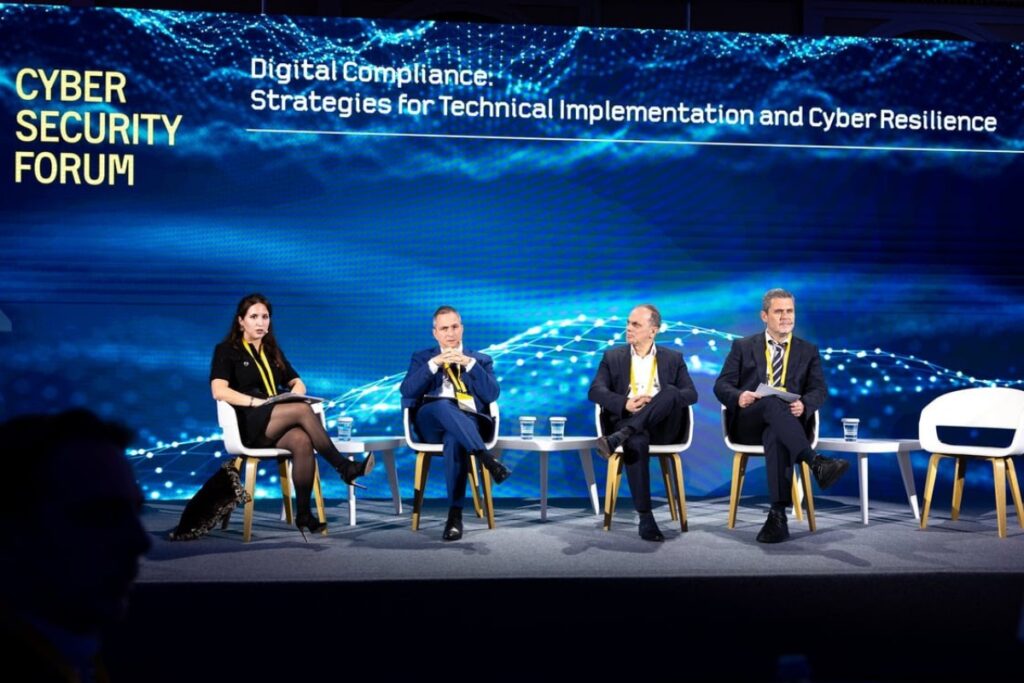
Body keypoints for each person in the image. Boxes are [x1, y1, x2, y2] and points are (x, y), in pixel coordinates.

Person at [0, 409, 151, 682]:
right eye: (102, 516)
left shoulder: (81, 663)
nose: (140, 541)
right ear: (11, 528)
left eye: (136, 511)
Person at [210, 293, 373, 535]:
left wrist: (294, 393)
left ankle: (304, 514)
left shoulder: (272, 351)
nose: (260, 322)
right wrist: (255, 402)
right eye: (253, 317)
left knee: (302, 440)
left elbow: (297, 382)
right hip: (249, 424)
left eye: (265, 317)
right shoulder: (227, 350)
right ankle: (344, 467)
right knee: (302, 409)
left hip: (274, 421)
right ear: (241, 321)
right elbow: (219, 390)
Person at [713, 288, 849, 543]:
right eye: (779, 311)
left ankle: (777, 516)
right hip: (749, 422)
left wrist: (804, 404)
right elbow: (721, 385)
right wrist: (740, 396)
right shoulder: (743, 346)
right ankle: (814, 461)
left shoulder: (808, 350)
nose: (786, 317)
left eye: (790, 311)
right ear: (764, 316)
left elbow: (819, 390)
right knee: (770, 401)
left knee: (776, 433)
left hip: (787, 425)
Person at [400, 306, 510, 541]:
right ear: (435, 333)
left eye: (454, 327)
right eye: (444, 329)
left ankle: (455, 516)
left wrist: (470, 364)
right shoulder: (422, 358)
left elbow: (491, 395)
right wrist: (434, 364)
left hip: (467, 423)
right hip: (431, 422)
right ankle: (486, 458)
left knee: (454, 440)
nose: (450, 333)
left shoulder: (481, 360)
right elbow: (407, 390)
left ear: (462, 328)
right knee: (442, 404)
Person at [589, 304, 698, 542]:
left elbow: (691, 394)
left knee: (671, 391)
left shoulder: (673, 358)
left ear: (653, 331)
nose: (628, 328)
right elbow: (596, 391)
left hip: (663, 427)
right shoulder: (612, 357)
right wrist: (625, 403)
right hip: (629, 421)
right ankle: (646, 518)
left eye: (635, 324)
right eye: (628, 323)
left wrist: (657, 401)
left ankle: (622, 434)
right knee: (636, 440)